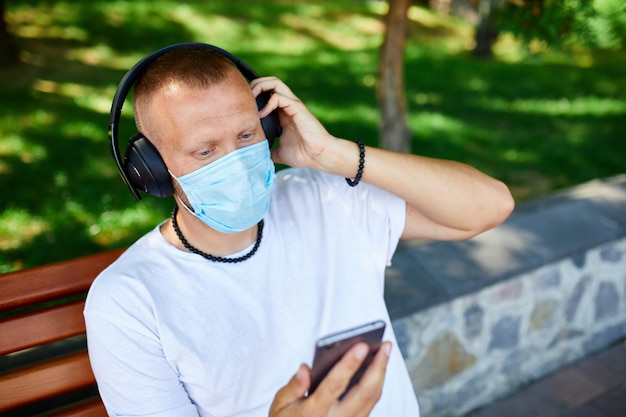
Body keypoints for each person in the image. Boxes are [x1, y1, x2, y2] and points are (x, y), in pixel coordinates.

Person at [85, 44, 514, 417]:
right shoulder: (128, 303)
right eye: (205, 150)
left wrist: (332, 153)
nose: (235, 159)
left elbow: (489, 206)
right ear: (153, 171)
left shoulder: (326, 199)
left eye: (247, 133)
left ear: (270, 125)